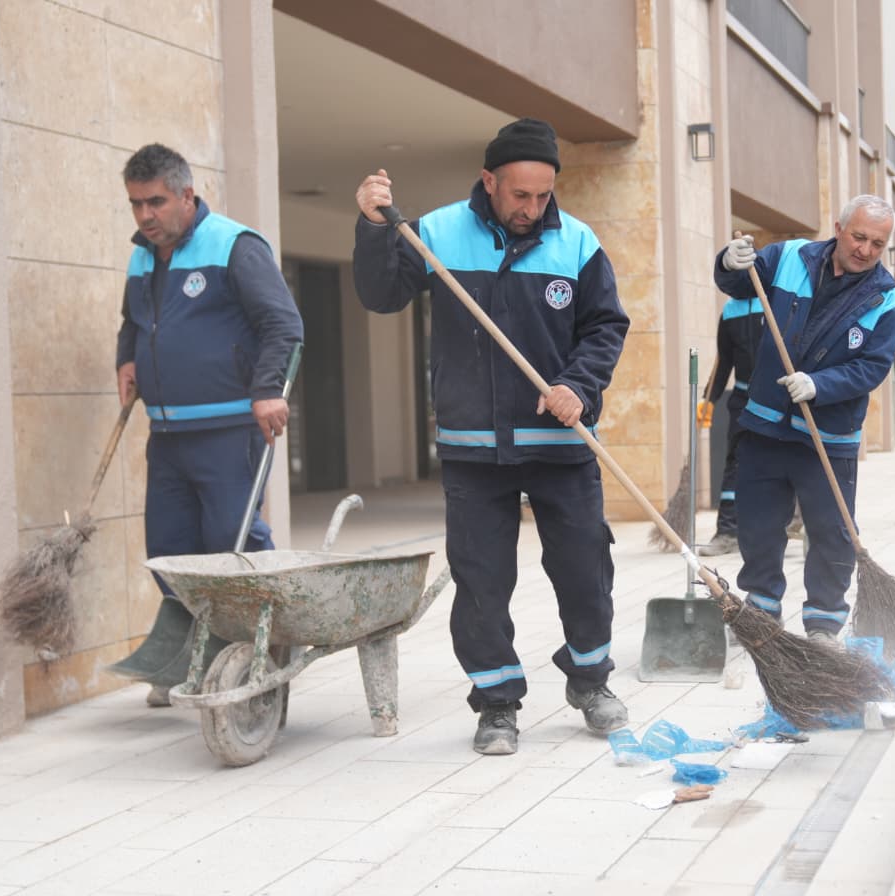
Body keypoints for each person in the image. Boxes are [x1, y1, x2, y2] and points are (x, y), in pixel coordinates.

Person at [351, 118, 631, 756]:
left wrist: (579, 387)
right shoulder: (438, 232)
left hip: (561, 443)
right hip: (473, 444)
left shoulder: (578, 242)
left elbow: (605, 327)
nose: (533, 209)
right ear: (489, 181)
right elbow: (380, 294)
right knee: (481, 581)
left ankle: (590, 681)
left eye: (543, 196)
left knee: (586, 565)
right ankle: (498, 702)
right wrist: (372, 227)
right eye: (519, 196)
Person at [115, 144, 304, 706]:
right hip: (167, 433)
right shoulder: (143, 256)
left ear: (186, 195)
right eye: (135, 204)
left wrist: (268, 389)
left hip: (229, 429)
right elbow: (134, 320)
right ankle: (191, 656)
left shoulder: (233, 246)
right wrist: (126, 357)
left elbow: (283, 324)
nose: (146, 216)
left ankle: (266, 650)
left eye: (155, 202)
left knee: (233, 544)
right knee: (170, 552)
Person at [712, 196, 895, 643]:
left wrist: (821, 385)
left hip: (828, 435)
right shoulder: (790, 257)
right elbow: (741, 284)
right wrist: (729, 262)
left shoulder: (885, 297)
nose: (865, 250)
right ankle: (760, 613)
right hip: (764, 426)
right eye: (859, 237)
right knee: (758, 525)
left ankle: (823, 622)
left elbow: (873, 366)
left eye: (877, 243)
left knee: (831, 533)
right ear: (838, 228)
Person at [697, 293, 766, 556]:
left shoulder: (773, 300)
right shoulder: (729, 311)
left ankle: (794, 523)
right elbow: (724, 361)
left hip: (775, 398)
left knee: (784, 462)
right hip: (742, 399)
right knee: (735, 464)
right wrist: (709, 398)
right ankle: (727, 532)